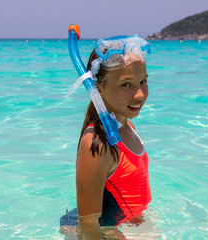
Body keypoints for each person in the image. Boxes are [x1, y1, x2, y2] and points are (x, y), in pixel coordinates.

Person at [61, 35, 152, 240]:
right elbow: (89, 224)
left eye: (143, 81)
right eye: (126, 84)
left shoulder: (128, 127)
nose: (139, 95)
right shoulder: (98, 145)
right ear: (98, 88)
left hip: (125, 225)